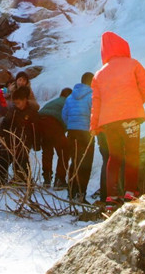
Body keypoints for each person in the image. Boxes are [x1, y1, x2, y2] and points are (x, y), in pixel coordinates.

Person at [90, 31, 145, 211]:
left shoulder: (99, 74)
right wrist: (137, 101)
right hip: (130, 118)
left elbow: (96, 103)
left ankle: (111, 197)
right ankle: (130, 192)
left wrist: (94, 125)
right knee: (132, 153)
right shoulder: (132, 64)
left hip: (109, 122)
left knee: (114, 157)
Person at [0, 86, 40, 187]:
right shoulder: (12, 111)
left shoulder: (32, 112)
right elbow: (5, 125)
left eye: (19, 103)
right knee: (3, 159)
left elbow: (36, 129)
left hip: (25, 140)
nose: (17, 105)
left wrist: (36, 143)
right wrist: (3, 137)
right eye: (15, 103)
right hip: (11, 140)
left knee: (22, 160)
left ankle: (25, 179)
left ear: (25, 100)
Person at [61, 72, 94, 203]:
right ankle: (81, 194)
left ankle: (71, 192)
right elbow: (94, 113)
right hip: (85, 133)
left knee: (74, 162)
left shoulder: (70, 97)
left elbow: (64, 114)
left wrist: (70, 125)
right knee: (85, 164)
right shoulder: (92, 96)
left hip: (72, 132)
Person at [36, 88, 72, 189]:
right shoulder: (68, 102)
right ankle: (60, 180)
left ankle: (47, 179)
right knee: (64, 151)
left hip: (40, 122)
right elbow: (68, 119)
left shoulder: (54, 101)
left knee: (47, 151)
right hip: (54, 124)